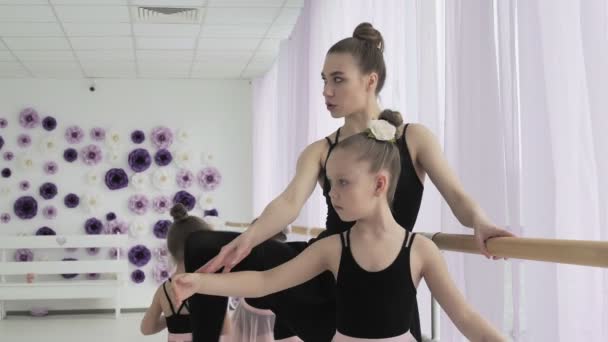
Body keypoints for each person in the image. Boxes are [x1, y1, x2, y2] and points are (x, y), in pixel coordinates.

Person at [184, 22, 514, 341]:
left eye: (338, 79)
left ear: (370, 81)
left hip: (389, 273)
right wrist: (248, 239)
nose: (327, 91)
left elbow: (455, 194)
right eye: (324, 80)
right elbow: (289, 203)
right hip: (330, 270)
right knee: (202, 246)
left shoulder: (414, 138)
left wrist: (480, 223)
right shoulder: (321, 150)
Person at [175, 118, 507, 341]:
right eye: (330, 183)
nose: (332, 193)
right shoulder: (333, 248)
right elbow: (265, 281)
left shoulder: (421, 251)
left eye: (343, 183)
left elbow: (464, 316)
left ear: (379, 184)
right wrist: (202, 282)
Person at [140, 204, 232, 342]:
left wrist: (170, 318)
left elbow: (146, 329)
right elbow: (226, 330)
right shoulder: (212, 287)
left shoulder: (164, 290)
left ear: (171, 251)